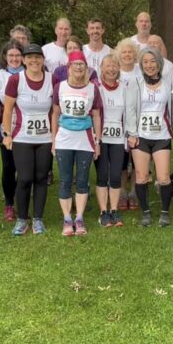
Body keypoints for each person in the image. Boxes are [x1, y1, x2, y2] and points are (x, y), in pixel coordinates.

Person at [2, 44, 55, 235]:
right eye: (30, 57)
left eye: (38, 57)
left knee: (41, 178)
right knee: (24, 178)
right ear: (24, 60)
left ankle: (38, 219)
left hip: (45, 138)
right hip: (22, 137)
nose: (34, 61)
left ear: (43, 60)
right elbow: (7, 109)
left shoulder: (52, 79)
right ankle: (22, 219)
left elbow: (55, 110)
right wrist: (7, 134)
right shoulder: (15, 80)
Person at [51, 51, 103, 236]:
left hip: (85, 138)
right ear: (69, 67)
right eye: (76, 64)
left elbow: (96, 115)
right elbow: (55, 114)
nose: (79, 67)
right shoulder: (60, 87)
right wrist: (53, 140)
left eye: (82, 64)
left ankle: (79, 218)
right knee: (65, 180)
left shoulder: (93, 88)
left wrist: (97, 142)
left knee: (82, 180)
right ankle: (67, 219)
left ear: (86, 68)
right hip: (64, 138)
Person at [124, 47, 173, 227]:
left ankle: (165, 212)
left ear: (159, 63)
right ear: (141, 64)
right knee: (141, 176)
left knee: (163, 177)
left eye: (153, 61)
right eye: (145, 62)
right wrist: (131, 133)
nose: (149, 65)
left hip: (161, 135)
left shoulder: (168, 83)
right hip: (141, 137)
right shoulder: (135, 82)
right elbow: (129, 109)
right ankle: (145, 213)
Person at [0, 39, 24, 222]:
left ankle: (22, 201)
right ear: (5, 57)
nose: (14, 59)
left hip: (26, 129)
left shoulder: (30, 73)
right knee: (9, 167)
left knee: (24, 169)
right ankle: (9, 204)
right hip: (7, 129)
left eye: (18, 55)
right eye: (11, 55)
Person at [95, 53, 128, 227]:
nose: (111, 69)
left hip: (117, 138)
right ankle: (103, 212)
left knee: (115, 175)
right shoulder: (95, 87)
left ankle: (114, 210)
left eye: (114, 66)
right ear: (101, 68)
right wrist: (95, 138)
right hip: (100, 138)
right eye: (108, 66)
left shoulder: (124, 87)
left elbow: (128, 113)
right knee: (102, 175)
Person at [115, 38, 141, 209]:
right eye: (124, 52)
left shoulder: (140, 73)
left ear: (135, 54)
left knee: (137, 158)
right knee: (123, 159)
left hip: (138, 120)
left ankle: (134, 192)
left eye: (130, 52)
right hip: (119, 120)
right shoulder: (115, 72)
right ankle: (123, 192)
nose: (127, 55)